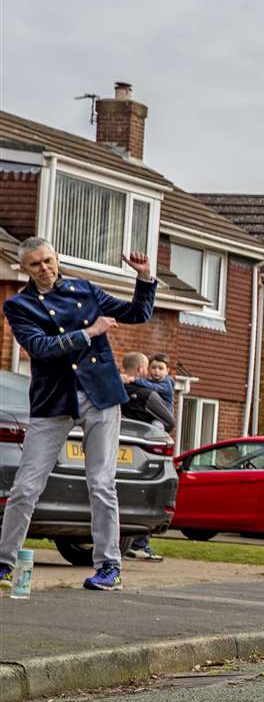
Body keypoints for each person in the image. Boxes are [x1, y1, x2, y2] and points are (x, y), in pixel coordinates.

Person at [0, 238, 155, 593]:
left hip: (101, 395)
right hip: (53, 401)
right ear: (25, 268)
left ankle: (109, 566)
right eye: (36, 264)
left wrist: (144, 279)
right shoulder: (19, 306)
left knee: (101, 483)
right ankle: (4, 562)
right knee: (25, 488)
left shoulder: (84, 289)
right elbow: (40, 348)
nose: (45, 268)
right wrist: (89, 332)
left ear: (57, 259)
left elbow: (136, 313)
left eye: (49, 260)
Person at [114, 351, 173, 563]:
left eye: (160, 369)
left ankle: (136, 543)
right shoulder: (146, 393)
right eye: (152, 367)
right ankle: (139, 544)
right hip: (139, 451)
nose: (154, 372)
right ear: (142, 369)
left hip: (119, 446)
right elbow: (169, 421)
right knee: (143, 496)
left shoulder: (164, 385)